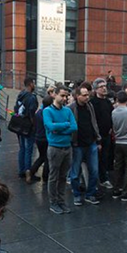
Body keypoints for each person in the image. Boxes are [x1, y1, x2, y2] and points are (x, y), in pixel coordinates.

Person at [43, 84, 77, 214]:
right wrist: (65, 125)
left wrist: (59, 129)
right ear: (55, 95)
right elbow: (50, 126)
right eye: (62, 95)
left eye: (66, 96)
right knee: (54, 176)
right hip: (55, 148)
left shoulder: (67, 111)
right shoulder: (47, 111)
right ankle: (53, 202)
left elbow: (74, 127)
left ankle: (61, 201)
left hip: (67, 147)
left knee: (63, 176)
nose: (65, 98)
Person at [69, 82, 102, 206]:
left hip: (91, 143)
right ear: (77, 96)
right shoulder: (71, 108)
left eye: (87, 95)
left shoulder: (89, 106)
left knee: (94, 170)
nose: (87, 97)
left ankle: (90, 194)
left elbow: (94, 122)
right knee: (75, 172)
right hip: (77, 144)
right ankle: (77, 195)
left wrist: (98, 139)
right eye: (84, 95)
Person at [91, 78, 115, 188]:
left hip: (107, 135)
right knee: (95, 159)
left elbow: (111, 116)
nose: (104, 88)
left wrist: (111, 128)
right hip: (96, 136)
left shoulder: (108, 102)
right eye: (101, 87)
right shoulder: (92, 103)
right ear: (96, 89)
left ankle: (104, 178)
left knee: (105, 158)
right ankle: (95, 181)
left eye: (105, 86)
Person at [15, 76, 39, 180]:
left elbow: (16, 109)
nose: (34, 85)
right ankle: (28, 171)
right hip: (28, 126)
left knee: (22, 148)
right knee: (29, 149)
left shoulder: (20, 95)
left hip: (19, 125)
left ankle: (21, 170)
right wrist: (34, 126)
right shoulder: (32, 97)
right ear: (30, 84)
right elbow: (32, 113)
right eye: (33, 83)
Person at [28, 94, 52, 183]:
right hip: (45, 138)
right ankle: (45, 176)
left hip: (38, 137)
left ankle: (31, 171)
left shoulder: (38, 112)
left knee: (42, 156)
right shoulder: (48, 114)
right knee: (47, 158)